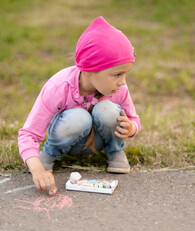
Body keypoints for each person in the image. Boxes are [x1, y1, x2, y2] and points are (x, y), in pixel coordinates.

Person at [17, 16, 141, 195]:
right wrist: (36, 168)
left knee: (106, 110)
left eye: (125, 74)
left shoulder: (119, 89)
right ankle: (50, 155)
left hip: (99, 143)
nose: (123, 82)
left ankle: (114, 152)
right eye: (117, 74)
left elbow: (133, 118)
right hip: (69, 142)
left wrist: (131, 128)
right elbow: (28, 133)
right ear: (91, 69)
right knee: (78, 117)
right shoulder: (60, 87)